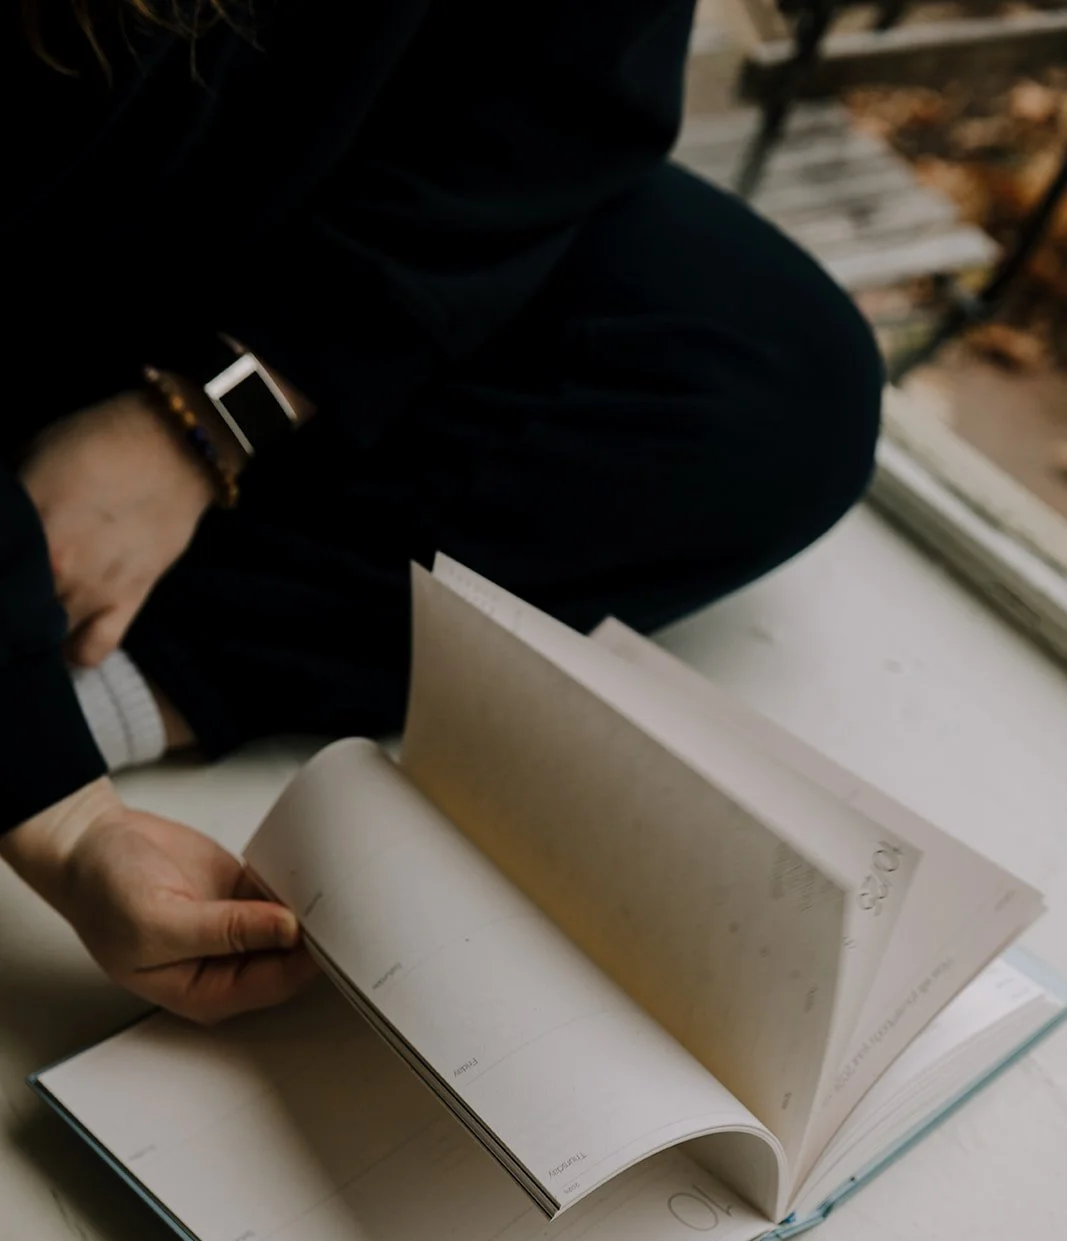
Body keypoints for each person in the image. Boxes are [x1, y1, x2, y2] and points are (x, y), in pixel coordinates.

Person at [0, 0, 883, 1024]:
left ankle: (102, 668)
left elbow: (562, 101)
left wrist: (205, 422)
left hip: (267, 212)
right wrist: (57, 813)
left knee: (774, 381)